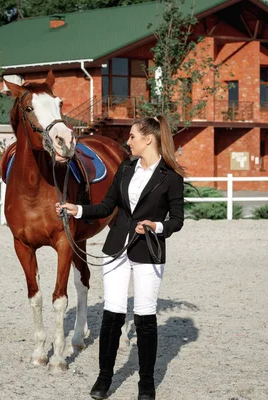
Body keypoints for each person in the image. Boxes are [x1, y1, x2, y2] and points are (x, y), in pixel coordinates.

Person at [56, 115, 185, 400]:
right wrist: (76, 210)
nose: (128, 142)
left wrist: (156, 226)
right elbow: (106, 206)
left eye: (132, 137)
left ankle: (146, 383)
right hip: (116, 249)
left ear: (148, 139)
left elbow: (177, 220)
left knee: (145, 317)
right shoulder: (126, 168)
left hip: (148, 250)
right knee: (112, 316)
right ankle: (104, 378)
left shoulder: (171, 177)